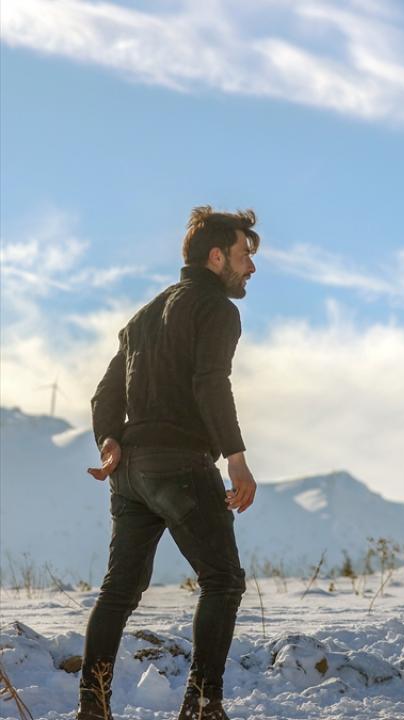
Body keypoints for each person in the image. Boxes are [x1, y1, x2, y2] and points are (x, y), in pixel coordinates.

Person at [78, 206, 261, 720]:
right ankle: (203, 706)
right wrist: (237, 460)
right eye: (245, 255)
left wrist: (109, 441)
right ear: (217, 255)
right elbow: (210, 382)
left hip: (131, 469)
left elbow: (105, 394)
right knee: (223, 581)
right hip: (180, 464)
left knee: (117, 592)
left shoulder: (141, 317)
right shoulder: (218, 310)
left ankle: (92, 708)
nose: (251, 268)